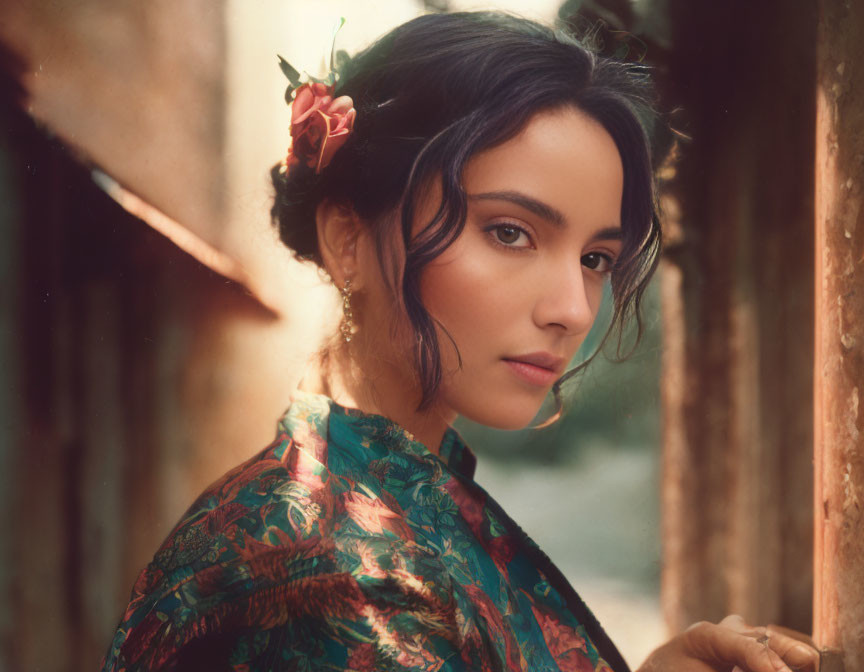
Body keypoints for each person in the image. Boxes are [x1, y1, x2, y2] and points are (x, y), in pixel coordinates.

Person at [101, 11, 820, 672]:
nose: (572, 309)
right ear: (348, 238)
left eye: (596, 259)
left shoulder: (383, 496)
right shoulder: (343, 583)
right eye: (510, 232)